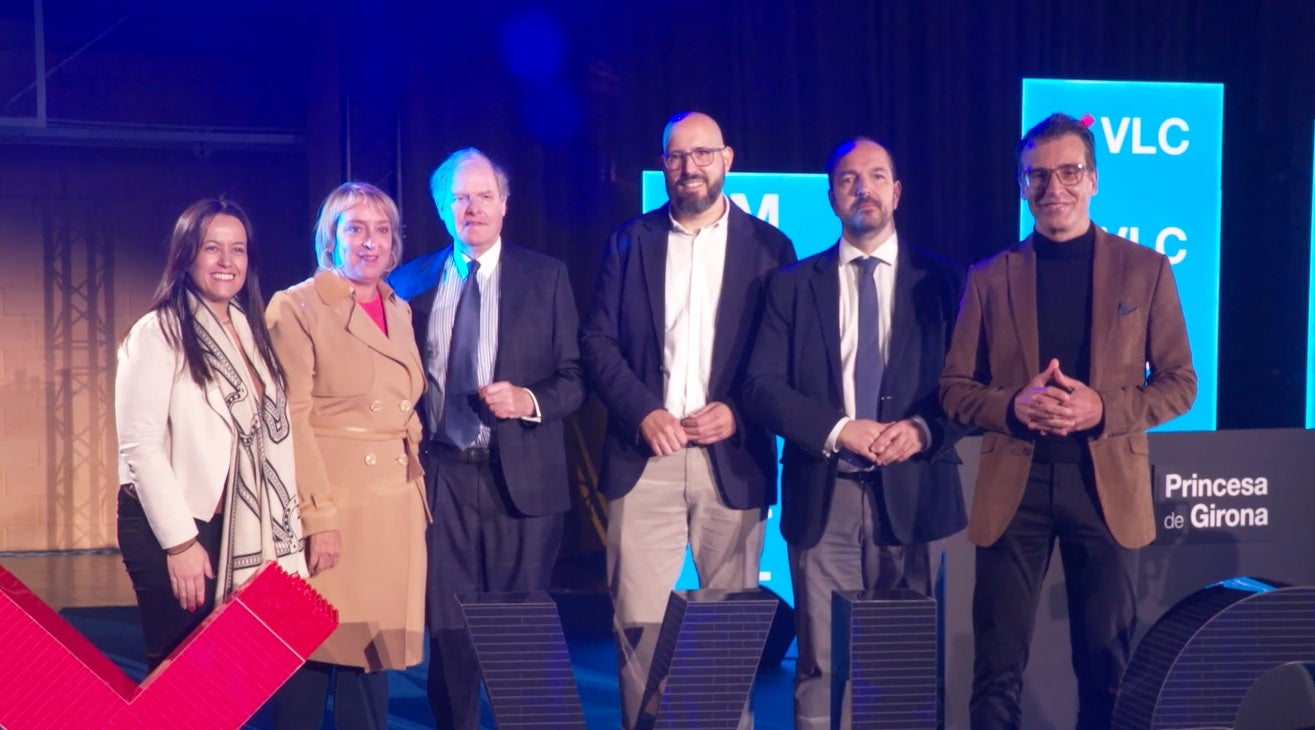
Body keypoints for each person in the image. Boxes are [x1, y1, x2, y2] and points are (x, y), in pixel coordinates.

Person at [940, 112, 1197, 729]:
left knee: (1106, 669)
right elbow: (952, 391)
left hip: (1105, 491)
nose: (1054, 187)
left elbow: (1180, 385)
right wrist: (1011, 406)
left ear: (1094, 180)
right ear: (1021, 184)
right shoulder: (988, 277)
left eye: (1069, 171)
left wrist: (1102, 408)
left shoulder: (1147, 269)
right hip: (1014, 494)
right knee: (996, 672)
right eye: (1038, 175)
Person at [579, 110, 796, 730]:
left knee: (725, 636)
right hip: (643, 457)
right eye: (676, 156)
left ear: (727, 158)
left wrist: (739, 409)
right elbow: (596, 342)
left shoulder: (770, 248)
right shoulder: (630, 240)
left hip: (733, 460)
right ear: (663, 164)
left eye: (702, 154)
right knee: (638, 628)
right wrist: (643, 411)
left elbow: (779, 354)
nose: (689, 168)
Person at [742, 137, 967, 729]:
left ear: (897, 192)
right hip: (826, 491)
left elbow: (974, 389)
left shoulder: (946, 283)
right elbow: (761, 387)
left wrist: (923, 429)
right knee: (820, 665)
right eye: (848, 179)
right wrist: (840, 429)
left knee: (909, 665)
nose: (862, 188)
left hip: (917, 493)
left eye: (875, 176)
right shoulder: (791, 285)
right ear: (831, 196)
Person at [388, 148, 585, 730]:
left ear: (504, 205)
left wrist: (528, 401)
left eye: (483, 196)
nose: (472, 208)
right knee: (449, 629)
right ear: (442, 209)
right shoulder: (408, 283)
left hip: (521, 480)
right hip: (440, 477)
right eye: (460, 198)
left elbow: (575, 380)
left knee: (520, 629)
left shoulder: (546, 277)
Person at [116, 198, 305, 672]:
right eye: (211, 249)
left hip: (242, 523)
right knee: (179, 678)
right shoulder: (158, 331)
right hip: (178, 523)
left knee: (229, 680)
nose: (226, 262)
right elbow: (140, 447)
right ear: (186, 255)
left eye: (237, 250)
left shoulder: (248, 328)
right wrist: (180, 544)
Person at [266, 182, 429, 729]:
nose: (370, 242)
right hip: (336, 502)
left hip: (393, 506)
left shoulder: (397, 307)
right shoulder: (297, 306)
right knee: (310, 652)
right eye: (355, 229)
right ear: (329, 239)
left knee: (371, 661)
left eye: (382, 231)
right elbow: (291, 417)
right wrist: (318, 518)